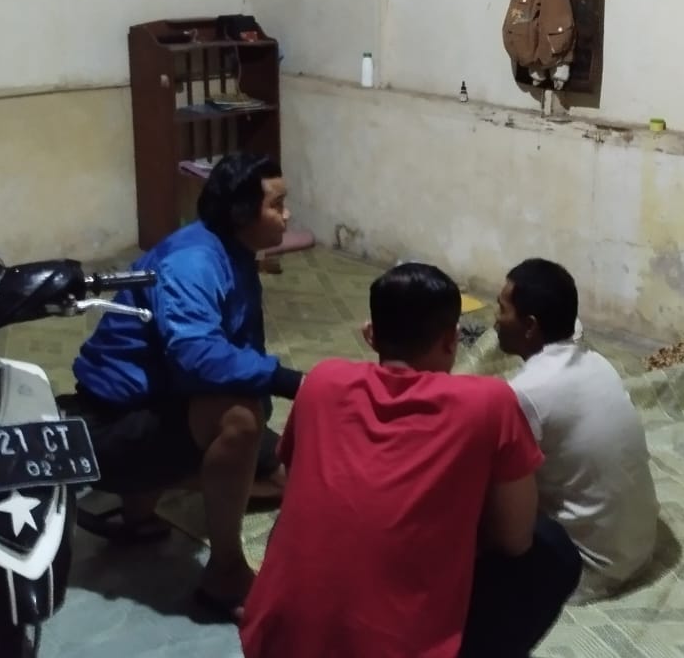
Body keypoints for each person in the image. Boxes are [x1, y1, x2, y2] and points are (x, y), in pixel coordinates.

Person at [240, 263, 582, 658]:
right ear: (452, 340)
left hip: (272, 641)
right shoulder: (488, 403)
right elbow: (515, 538)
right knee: (551, 548)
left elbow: (298, 477)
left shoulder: (322, 381)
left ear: (371, 334)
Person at [69, 152, 302, 616]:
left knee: (286, 477)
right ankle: (224, 575)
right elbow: (197, 355)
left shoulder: (230, 250)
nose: (288, 215)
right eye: (277, 205)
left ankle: (143, 506)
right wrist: (287, 380)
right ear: (241, 213)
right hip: (110, 424)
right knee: (239, 419)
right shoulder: (194, 261)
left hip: (162, 402)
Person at [495, 258, 659, 600]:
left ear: (530, 326)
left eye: (502, 310)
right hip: (639, 549)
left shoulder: (526, 393)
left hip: (586, 570)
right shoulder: (597, 362)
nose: (495, 320)